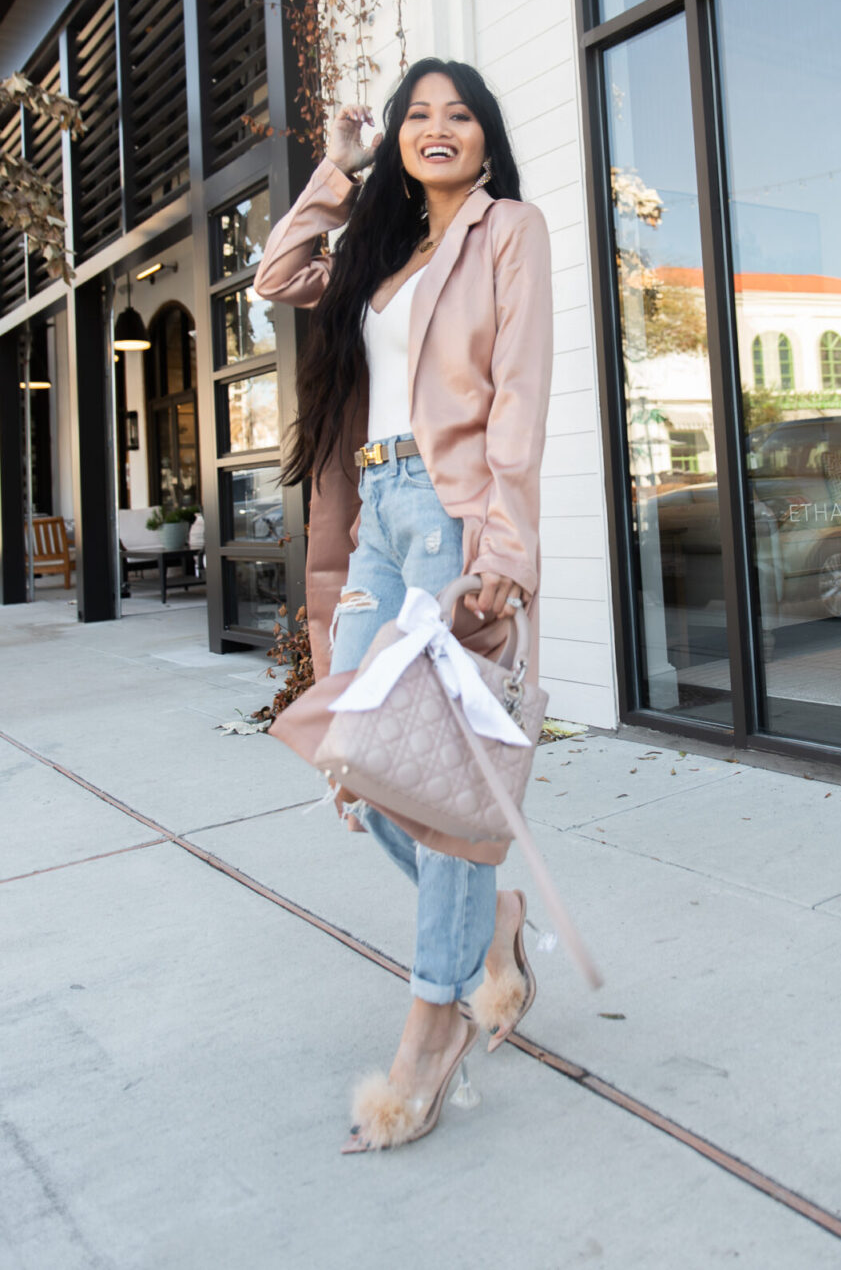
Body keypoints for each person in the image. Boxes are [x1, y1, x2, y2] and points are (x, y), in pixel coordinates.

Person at [254, 59, 552, 1151]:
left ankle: (430, 1035)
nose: (437, 128)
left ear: (485, 136)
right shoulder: (380, 254)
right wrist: (337, 169)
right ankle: (497, 928)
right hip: (373, 518)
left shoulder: (507, 231)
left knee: (447, 794)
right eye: (416, 115)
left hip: (448, 513)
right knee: (363, 760)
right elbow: (277, 274)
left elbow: (519, 393)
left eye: (458, 114)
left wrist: (503, 550)